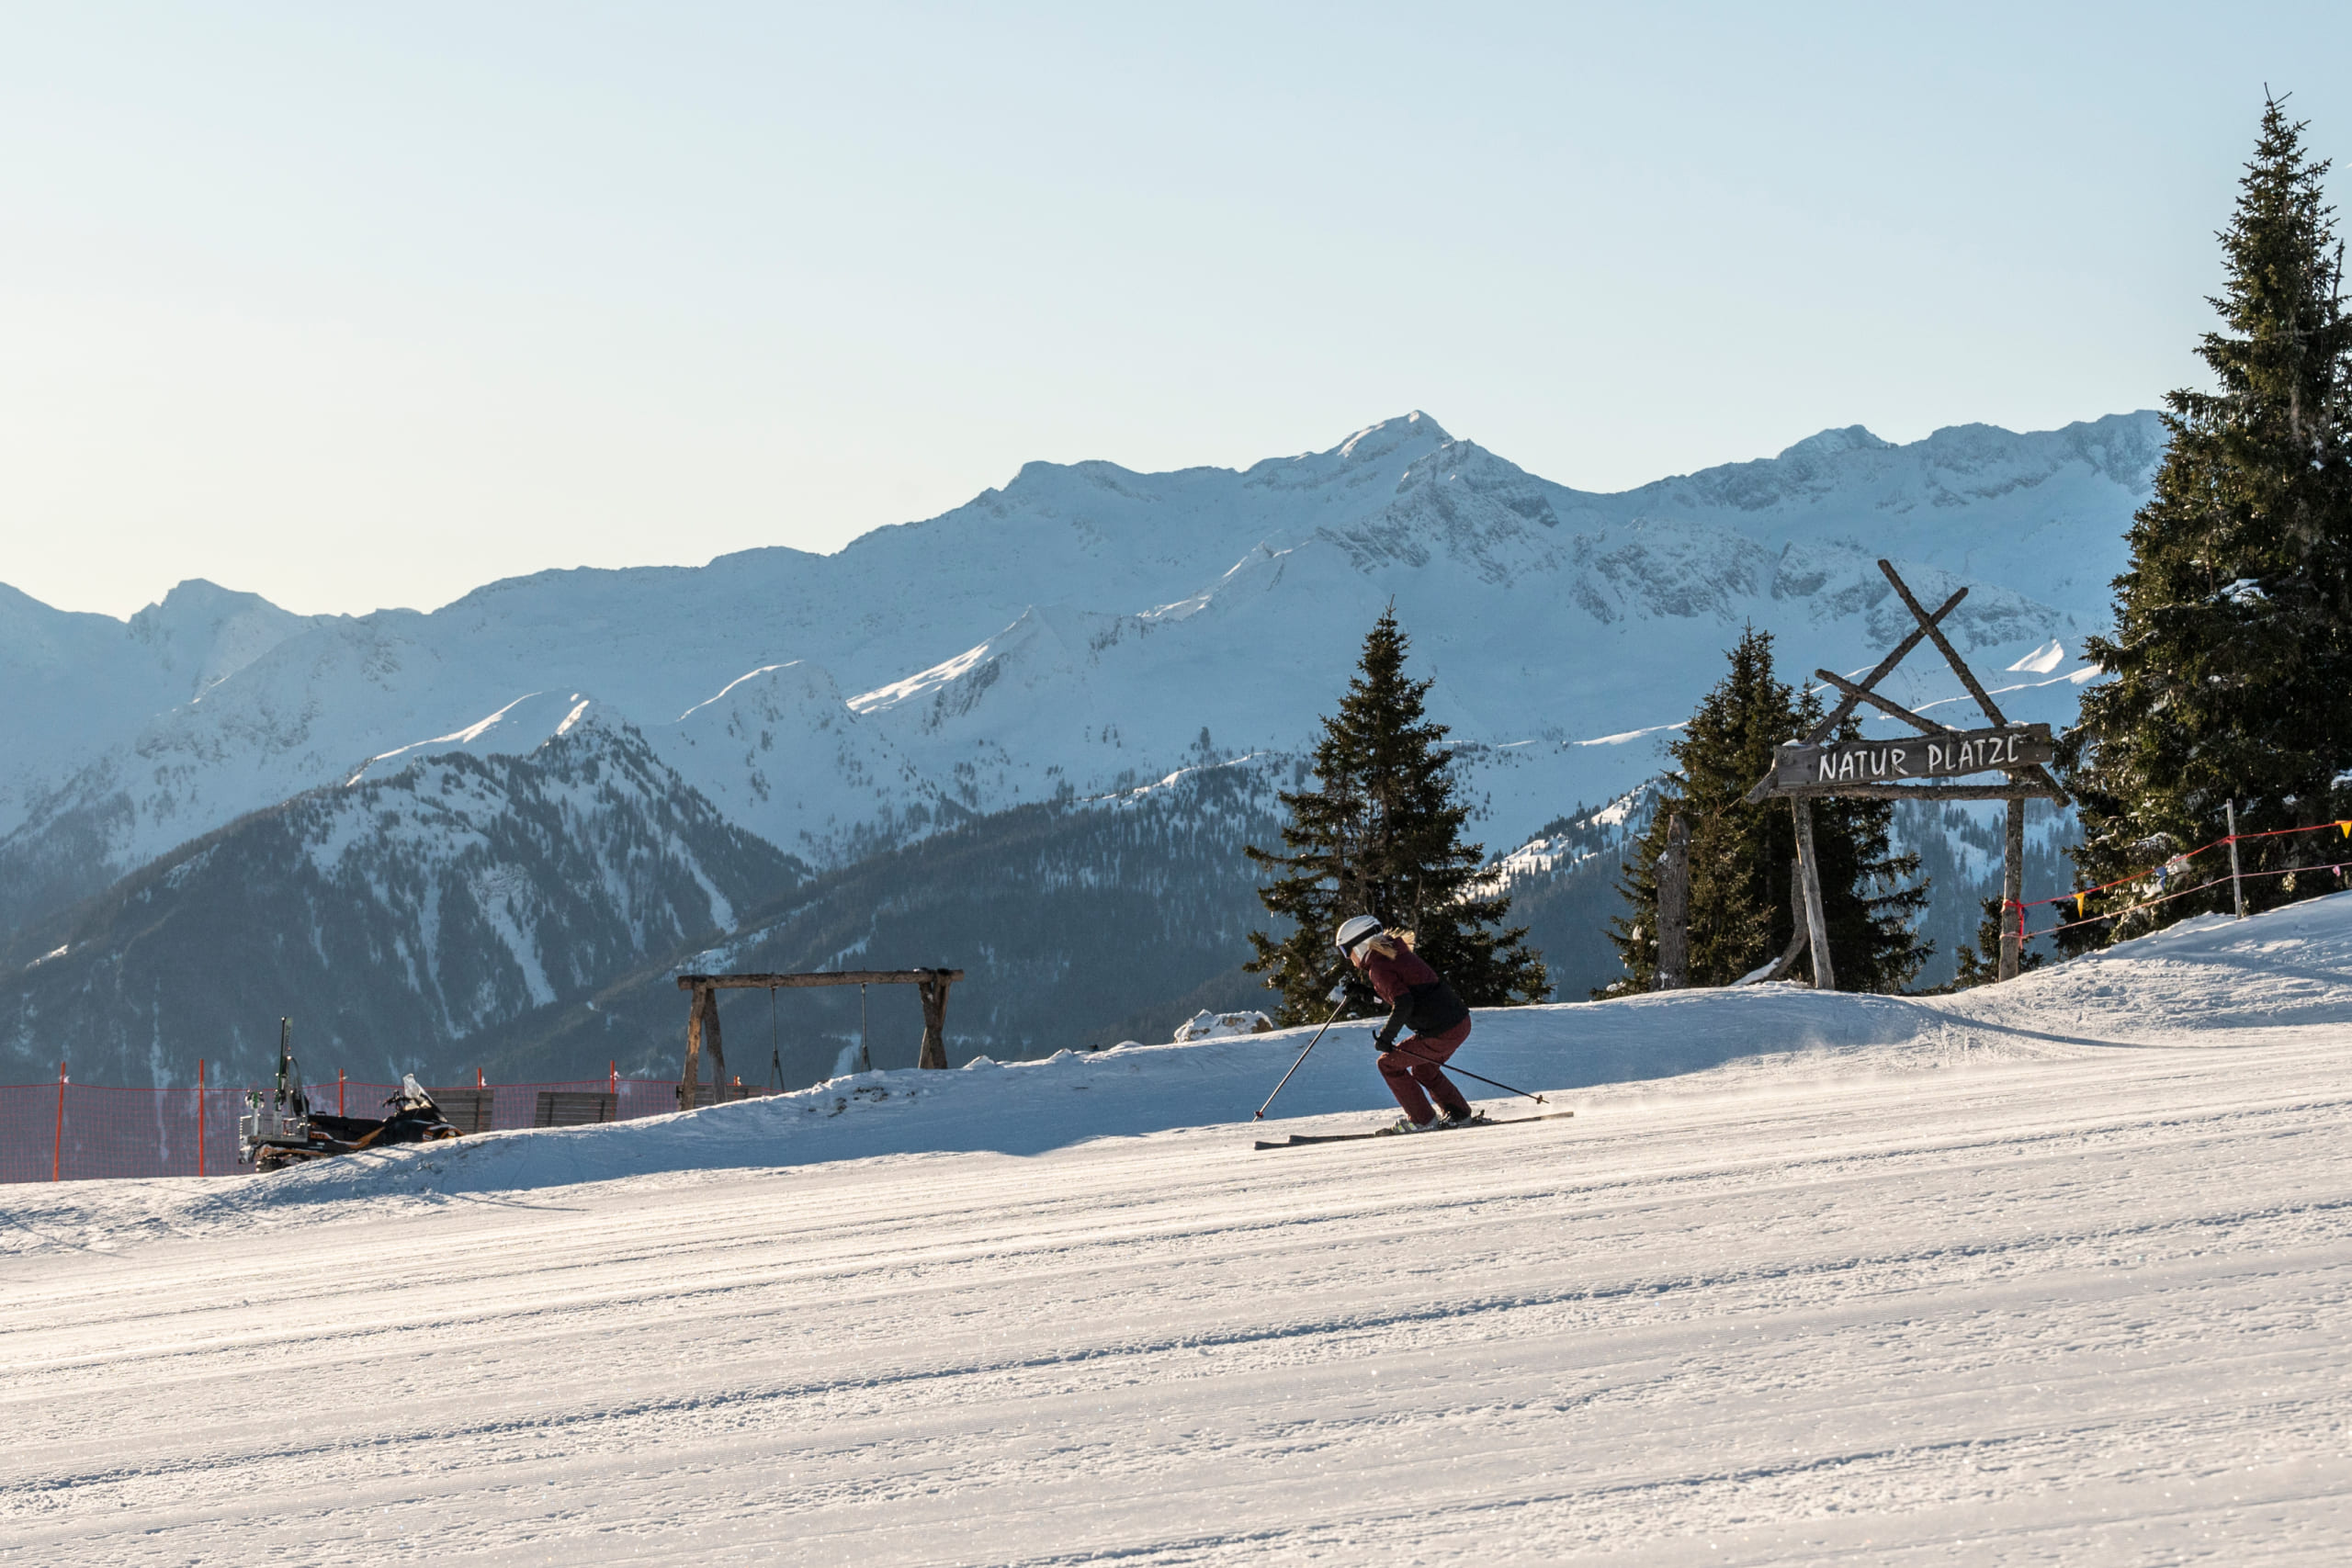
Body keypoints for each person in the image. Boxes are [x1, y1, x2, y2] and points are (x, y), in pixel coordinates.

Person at [1334, 915, 1479, 1133]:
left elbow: (1403, 1002)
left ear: (1361, 945)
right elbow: (1401, 995)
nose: (1348, 958)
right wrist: (1365, 994)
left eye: (1347, 951)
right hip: (1457, 1022)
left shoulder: (1379, 967)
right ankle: (1459, 1114)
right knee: (1424, 1070)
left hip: (1441, 1031)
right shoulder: (1394, 956)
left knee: (1388, 1064)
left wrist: (1387, 1036)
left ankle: (1422, 1120)